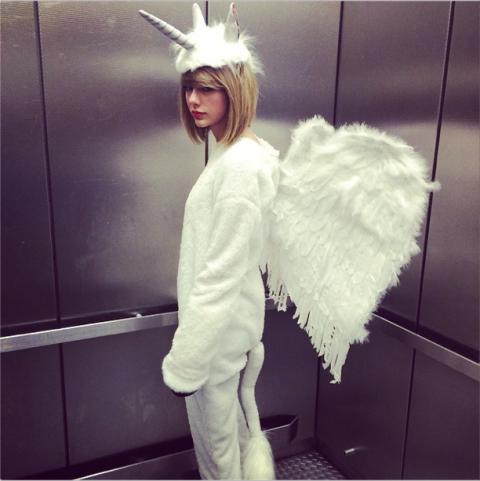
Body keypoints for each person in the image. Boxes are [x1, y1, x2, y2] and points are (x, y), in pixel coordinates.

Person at [139, 3, 278, 479]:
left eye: (207, 88)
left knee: (218, 458)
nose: (194, 99)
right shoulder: (241, 153)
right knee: (230, 444)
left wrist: (188, 358)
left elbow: (221, 271)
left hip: (215, 342)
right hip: (227, 332)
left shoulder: (238, 166)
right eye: (189, 87)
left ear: (233, 89)